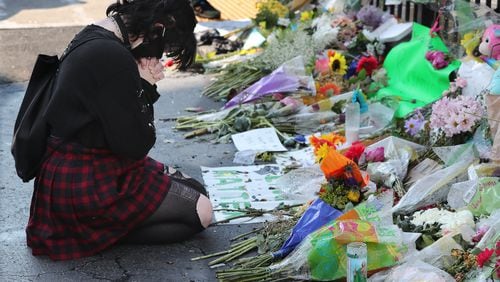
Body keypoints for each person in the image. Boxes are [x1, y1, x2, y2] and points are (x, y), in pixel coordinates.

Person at [26, 0, 213, 261]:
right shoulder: (112, 56)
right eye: (165, 47)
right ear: (158, 28)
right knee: (202, 212)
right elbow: (136, 144)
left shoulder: (97, 35)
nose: (158, 57)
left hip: (79, 168)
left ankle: (102, 229)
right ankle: (101, 232)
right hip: (86, 182)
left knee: (196, 190)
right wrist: (146, 86)